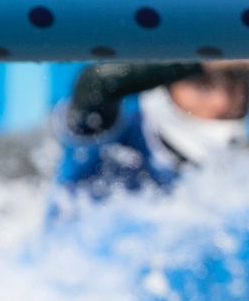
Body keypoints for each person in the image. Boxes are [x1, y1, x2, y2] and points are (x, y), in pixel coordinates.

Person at [53, 60, 249, 203]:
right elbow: (96, 83)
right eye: (202, 86)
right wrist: (207, 59)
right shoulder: (122, 136)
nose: (221, 102)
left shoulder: (238, 165)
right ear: (164, 82)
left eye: (235, 85)